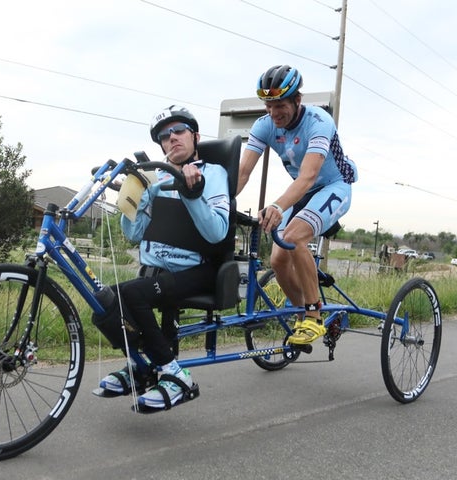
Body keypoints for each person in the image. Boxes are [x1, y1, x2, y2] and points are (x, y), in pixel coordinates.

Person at [96, 105, 231, 410]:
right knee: (103, 305)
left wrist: (191, 193)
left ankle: (174, 374)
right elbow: (133, 234)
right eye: (164, 136)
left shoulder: (213, 174)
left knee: (131, 295)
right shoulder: (155, 182)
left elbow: (216, 233)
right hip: (158, 271)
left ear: (195, 135)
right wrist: (134, 197)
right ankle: (142, 367)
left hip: (198, 268)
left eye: (179, 131)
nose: (172, 138)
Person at [237, 65, 357, 345]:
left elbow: (308, 176)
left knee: (293, 237)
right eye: (269, 106)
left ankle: (314, 315)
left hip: (333, 186)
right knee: (278, 259)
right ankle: (303, 313)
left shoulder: (319, 122)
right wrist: (220, 202)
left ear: (297, 100)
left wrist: (277, 206)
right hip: (302, 192)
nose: (274, 113)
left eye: (280, 105)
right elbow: (243, 172)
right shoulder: (264, 125)